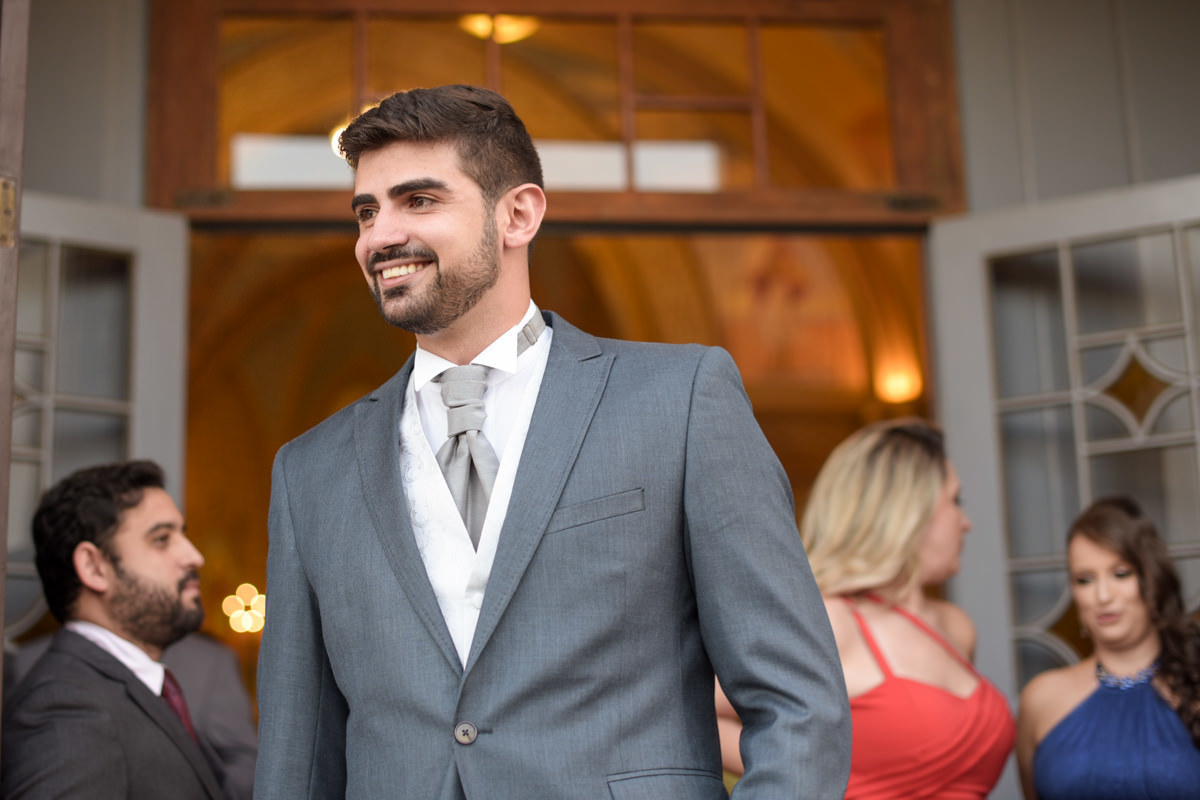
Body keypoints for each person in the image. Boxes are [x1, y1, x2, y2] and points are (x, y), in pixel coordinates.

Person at [253, 84, 851, 800]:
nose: (379, 237)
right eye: (366, 211)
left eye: (419, 201)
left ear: (518, 214)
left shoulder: (679, 399)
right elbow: (297, 760)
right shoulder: (309, 472)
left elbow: (797, 703)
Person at [777, 418, 1014, 798]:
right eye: (955, 501)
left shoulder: (955, 627)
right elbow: (701, 710)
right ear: (909, 512)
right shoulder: (833, 622)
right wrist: (816, 767)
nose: (966, 523)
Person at [1, 460, 227, 799]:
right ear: (94, 567)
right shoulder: (67, 711)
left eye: (184, 534)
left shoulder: (118, 690)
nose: (194, 556)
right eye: (162, 539)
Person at [1015, 496, 1200, 799]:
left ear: (1151, 579)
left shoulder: (1193, 683)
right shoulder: (1042, 700)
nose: (1102, 595)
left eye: (1120, 573)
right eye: (1085, 580)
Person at [6, 630, 258, 800]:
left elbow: (245, 761)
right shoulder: (30, 662)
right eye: (158, 546)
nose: (191, 558)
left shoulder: (209, 661)